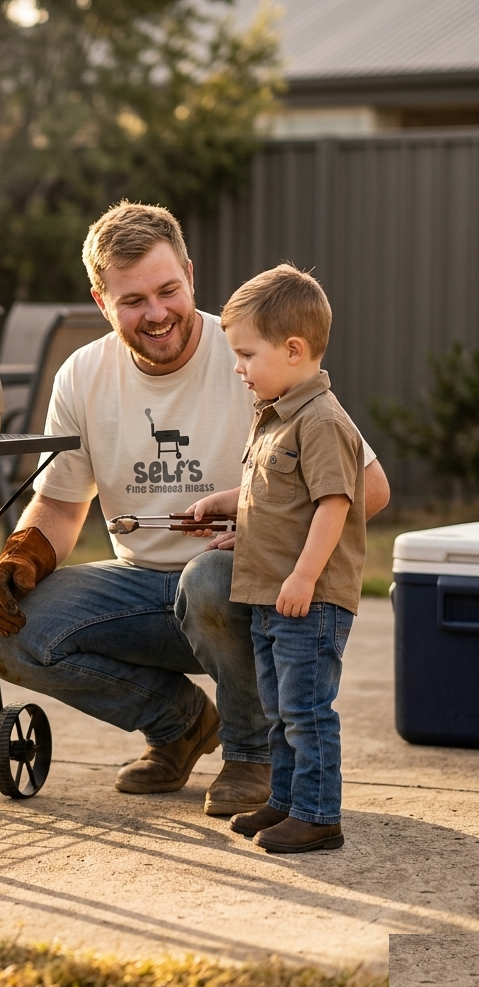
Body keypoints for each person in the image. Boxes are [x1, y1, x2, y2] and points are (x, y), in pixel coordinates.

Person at [0, 201, 389, 816]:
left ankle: (253, 754)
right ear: (101, 300)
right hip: (144, 592)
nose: (157, 313)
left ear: (191, 277)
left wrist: (260, 535)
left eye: (168, 290)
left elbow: (370, 489)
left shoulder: (252, 355)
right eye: (133, 300)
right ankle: (181, 726)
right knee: (6, 638)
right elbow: (62, 505)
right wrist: (23, 553)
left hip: (248, 594)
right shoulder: (82, 375)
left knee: (209, 578)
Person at [188, 265, 363, 852]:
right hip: (270, 595)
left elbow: (334, 504)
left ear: (293, 350)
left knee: (307, 711)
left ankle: (319, 815)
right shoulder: (276, 416)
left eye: (246, 355)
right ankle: (285, 802)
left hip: (307, 600)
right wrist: (228, 503)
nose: (238, 368)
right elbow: (278, 497)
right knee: (279, 710)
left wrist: (305, 576)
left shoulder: (322, 422)